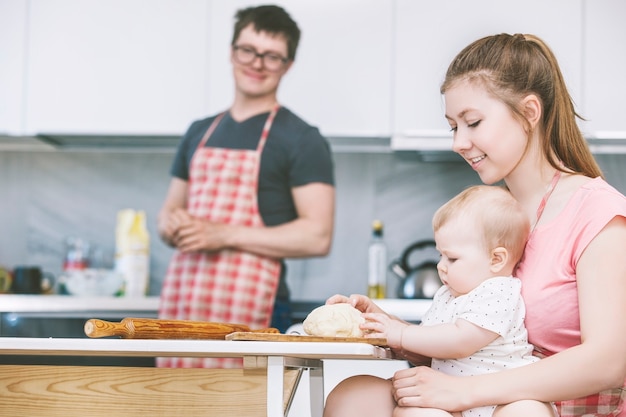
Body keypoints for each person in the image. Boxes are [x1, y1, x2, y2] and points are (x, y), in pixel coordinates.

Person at [323, 33, 626, 417]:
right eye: (453, 126)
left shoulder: (598, 213)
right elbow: (475, 340)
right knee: (353, 395)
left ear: (530, 112)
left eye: (473, 122)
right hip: (477, 392)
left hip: (545, 406)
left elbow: (608, 361)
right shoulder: (492, 212)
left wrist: (464, 393)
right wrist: (388, 327)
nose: (458, 142)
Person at [156, 4, 335, 368]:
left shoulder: (302, 139)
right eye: (248, 50)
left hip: (257, 308)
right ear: (232, 51)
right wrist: (173, 225)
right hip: (184, 303)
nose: (257, 63)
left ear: (287, 65)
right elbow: (168, 215)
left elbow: (317, 236)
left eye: (271, 57)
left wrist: (222, 235)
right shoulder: (198, 131)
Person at [333, 185, 555, 417]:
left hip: (501, 400)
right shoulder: (448, 295)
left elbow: (461, 340)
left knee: (528, 411)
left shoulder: (498, 290)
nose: (441, 265)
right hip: (444, 396)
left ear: (496, 259)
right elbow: (428, 341)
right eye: (441, 255)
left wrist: (399, 333)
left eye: (452, 258)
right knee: (409, 412)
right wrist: (380, 321)